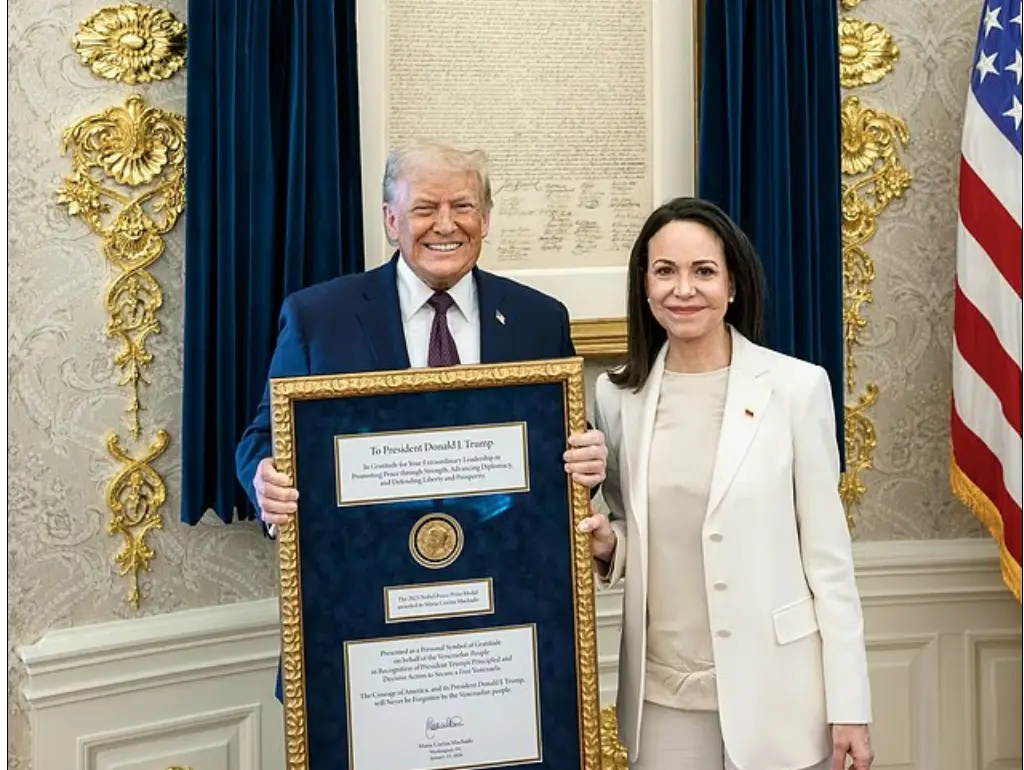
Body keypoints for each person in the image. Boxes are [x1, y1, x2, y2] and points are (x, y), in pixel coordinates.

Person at [577, 197, 873, 770]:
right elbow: (629, 526)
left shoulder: (795, 389)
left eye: (703, 272)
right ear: (644, 285)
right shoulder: (615, 396)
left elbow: (830, 563)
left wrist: (850, 705)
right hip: (662, 695)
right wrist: (608, 545)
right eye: (665, 271)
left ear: (732, 285)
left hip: (780, 693)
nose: (682, 289)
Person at [236, 138, 607, 532]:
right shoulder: (318, 319)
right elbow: (264, 437)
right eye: (425, 208)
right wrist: (265, 479)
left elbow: (564, 444)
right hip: (365, 561)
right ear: (392, 221)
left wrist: (589, 461)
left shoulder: (540, 320)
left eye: (463, 207)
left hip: (504, 559)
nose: (445, 225)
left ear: (485, 219)